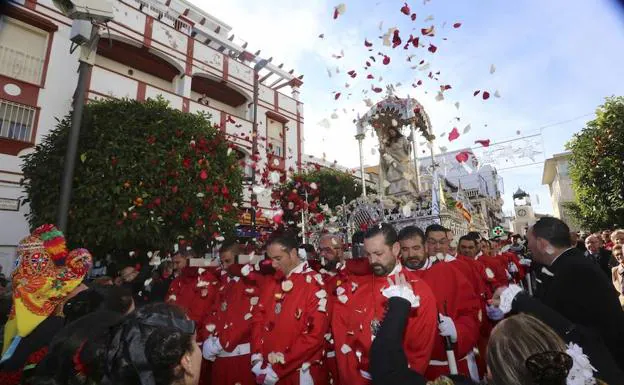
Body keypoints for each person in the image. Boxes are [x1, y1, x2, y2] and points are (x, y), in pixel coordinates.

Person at [332, 224, 437, 385]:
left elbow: (419, 353)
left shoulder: (419, 290)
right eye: (368, 254)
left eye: (378, 253)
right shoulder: (356, 287)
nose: (373, 260)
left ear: (395, 249)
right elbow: (344, 341)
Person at [0, 224, 92, 385]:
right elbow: (61, 280)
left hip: (21, 330)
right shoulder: (38, 280)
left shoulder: (22, 273)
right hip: (34, 332)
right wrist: (78, 263)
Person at [527, 217, 624, 370]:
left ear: (541, 244)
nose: (528, 246)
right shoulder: (567, 264)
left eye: (529, 241)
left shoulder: (573, 269)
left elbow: (563, 322)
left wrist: (518, 301)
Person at [398, 226, 481, 381]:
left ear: (425, 246)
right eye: (405, 249)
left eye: (416, 248)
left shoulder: (449, 272)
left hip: (451, 364)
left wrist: (457, 329)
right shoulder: (396, 279)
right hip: (412, 370)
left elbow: (471, 311)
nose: (411, 255)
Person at [250, 231, 330, 385]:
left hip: (298, 373)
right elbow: (258, 318)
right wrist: (257, 358)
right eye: (271, 259)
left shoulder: (315, 283)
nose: (273, 264)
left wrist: (279, 368)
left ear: (293, 253)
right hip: (267, 370)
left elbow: (314, 335)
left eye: (278, 259)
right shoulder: (273, 281)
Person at [201, 240, 258, 385]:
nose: (225, 266)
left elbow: (247, 319)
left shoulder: (252, 281)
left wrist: (220, 342)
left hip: (240, 359)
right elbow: (213, 311)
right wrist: (208, 337)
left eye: (228, 261)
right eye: (222, 262)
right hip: (220, 358)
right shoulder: (225, 282)